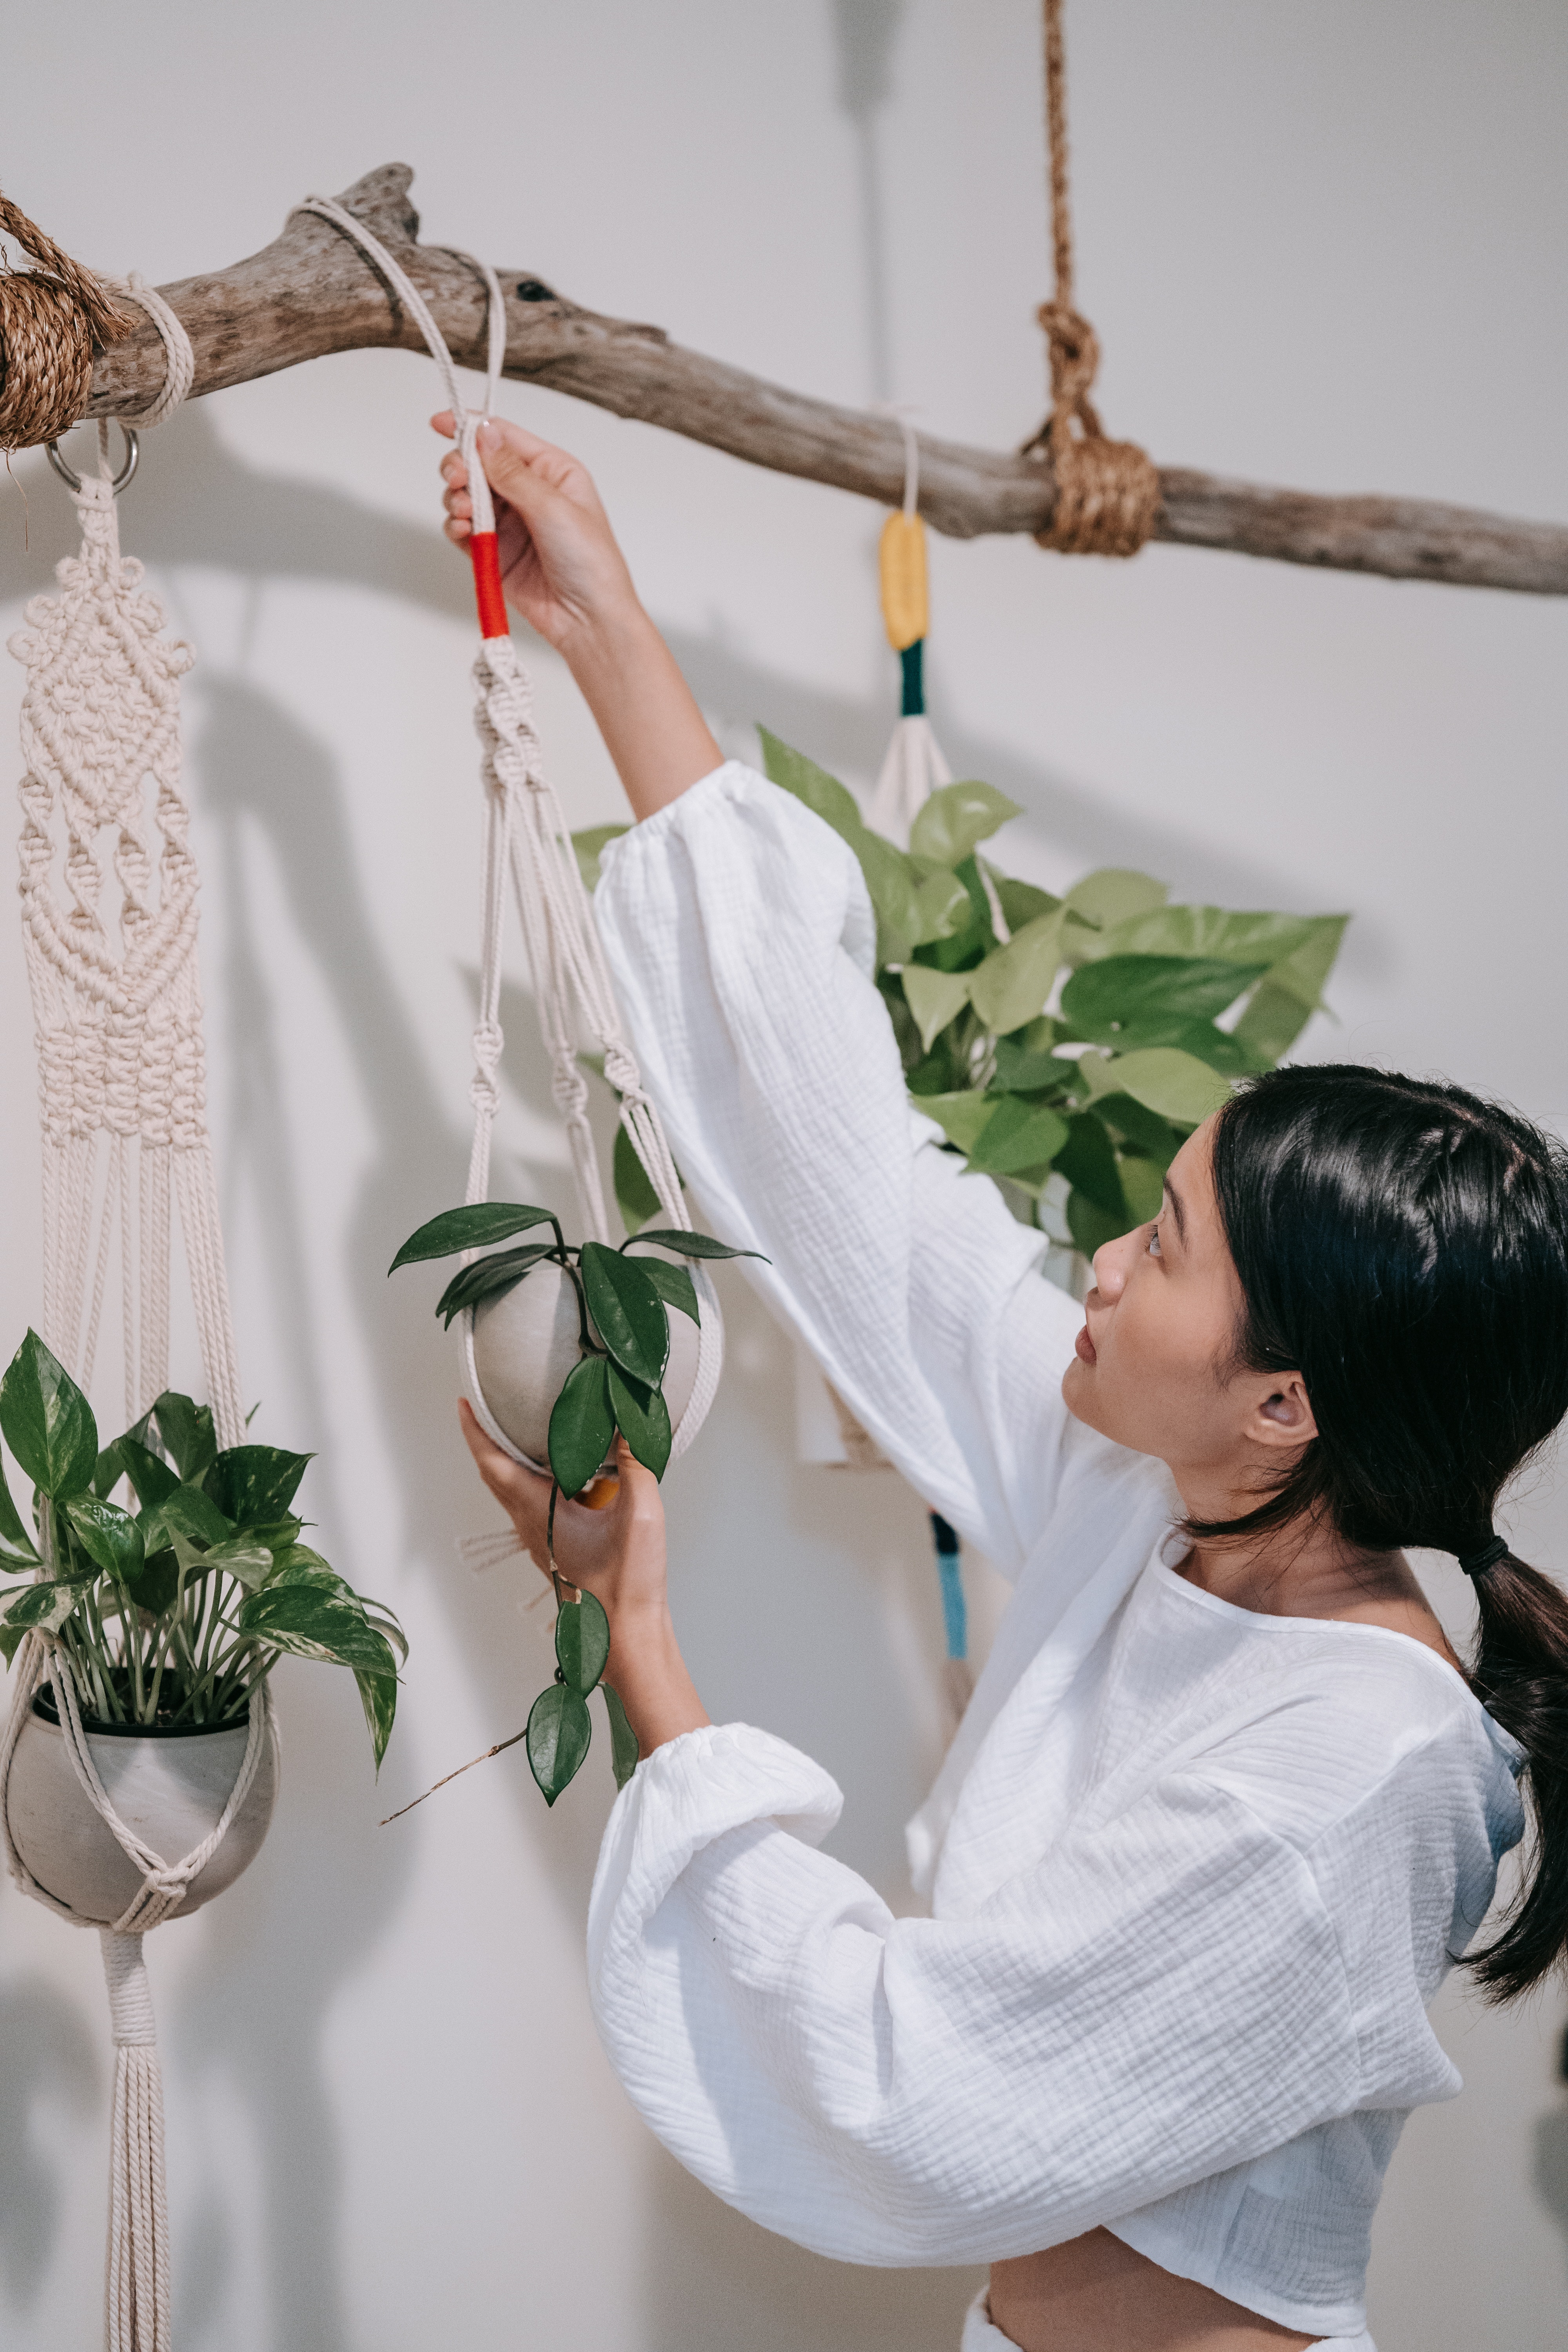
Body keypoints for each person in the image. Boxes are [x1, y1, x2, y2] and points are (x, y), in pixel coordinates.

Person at [433, 414, 1568, 2352]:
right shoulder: (1165, 1505)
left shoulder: (1348, 1783)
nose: (1107, 1257)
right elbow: (856, 1179)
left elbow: (915, 2078)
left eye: (1174, 1246)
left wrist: (639, 1630)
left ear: (1284, 1403)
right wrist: (602, 619)